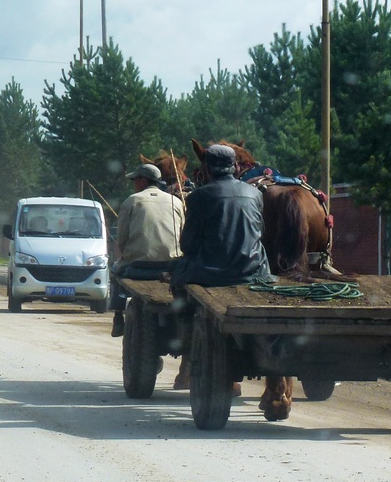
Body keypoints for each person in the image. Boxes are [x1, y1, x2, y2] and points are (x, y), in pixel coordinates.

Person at [169, 144, 275, 290]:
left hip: (210, 276)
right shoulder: (255, 193)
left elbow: (187, 245)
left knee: (177, 271)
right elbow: (259, 233)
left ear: (207, 169)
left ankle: (180, 312)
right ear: (236, 167)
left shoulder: (198, 196)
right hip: (255, 272)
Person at [110, 163, 185, 337]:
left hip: (138, 268)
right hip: (171, 268)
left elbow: (121, 239)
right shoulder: (176, 201)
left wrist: (126, 255)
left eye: (135, 179)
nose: (134, 183)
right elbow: (182, 235)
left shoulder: (132, 201)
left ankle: (118, 317)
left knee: (116, 270)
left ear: (143, 180)